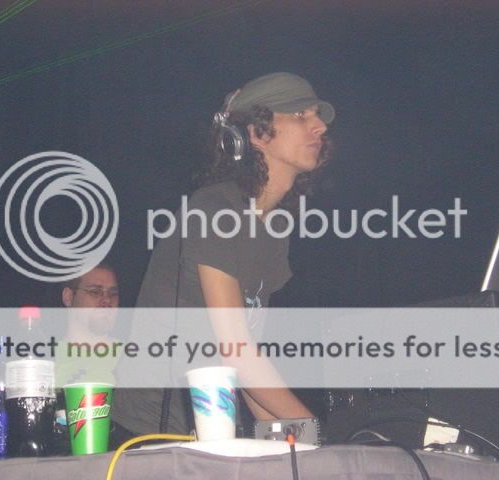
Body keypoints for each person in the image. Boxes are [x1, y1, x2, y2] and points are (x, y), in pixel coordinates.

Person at [112, 72, 334, 437]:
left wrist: (291, 439)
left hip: (210, 423)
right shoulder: (214, 211)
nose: (320, 126)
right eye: (300, 115)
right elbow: (237, 352)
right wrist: (316, 435)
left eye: (317, 116)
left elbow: (248, 363)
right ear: (257, 133)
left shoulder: (273, 227)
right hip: (149, 433)